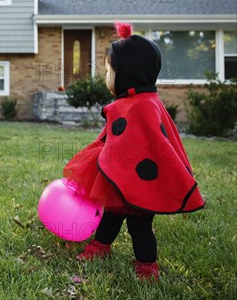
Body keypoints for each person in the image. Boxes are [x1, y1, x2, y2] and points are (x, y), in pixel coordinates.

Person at [63, 22, 205, 281]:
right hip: (121, 178)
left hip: (140, 182)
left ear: (127, 73)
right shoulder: (131, 102)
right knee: (112, 214)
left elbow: (151, 142)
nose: (106, 77)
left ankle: (147, 264)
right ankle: (100, 246)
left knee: (139, 226)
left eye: (108, 71)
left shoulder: (142, 105)